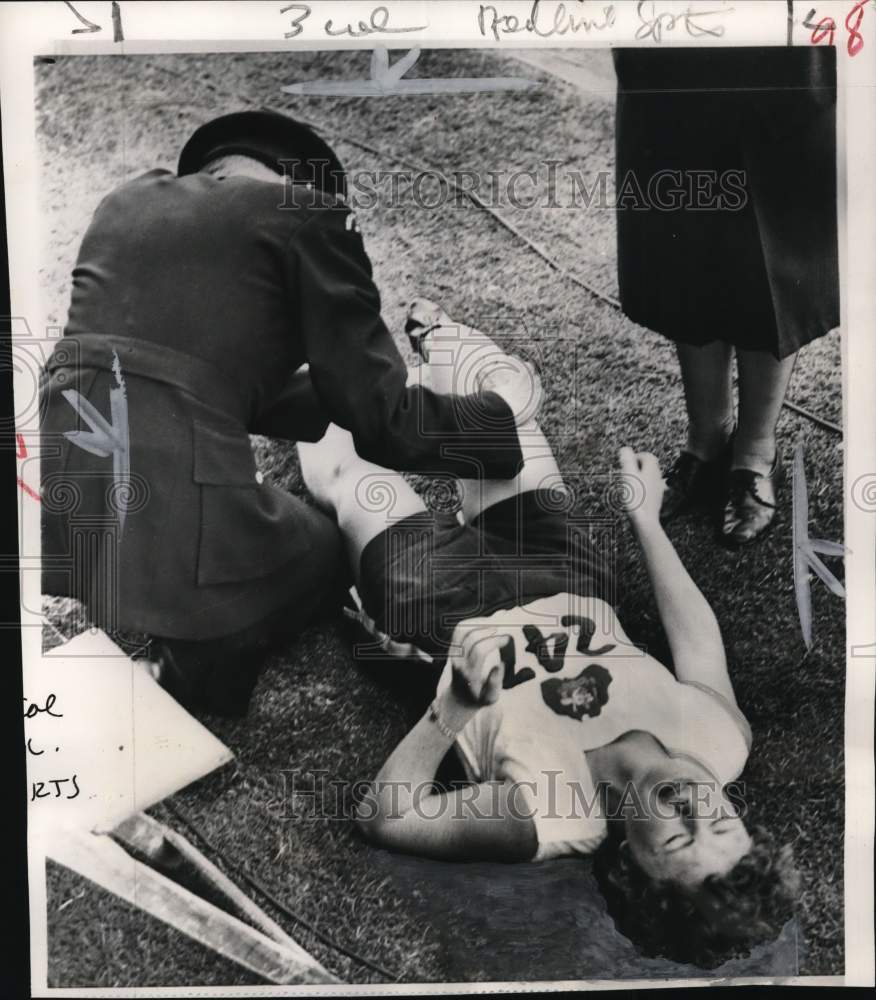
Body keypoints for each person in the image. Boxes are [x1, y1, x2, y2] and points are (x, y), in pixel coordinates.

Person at [296, 301, 799, 967]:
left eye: (679, 839)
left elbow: (386, 817)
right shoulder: (721, 744)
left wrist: (452, 710)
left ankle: (309, 337)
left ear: (632, 866)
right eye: (721, 822)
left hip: (444, 606)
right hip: (564, 572)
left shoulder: (550, 818)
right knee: (500, 417)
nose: (693, 805)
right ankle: (437, 335)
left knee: (348, 471)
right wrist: (646, 522)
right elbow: (699, 646)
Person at [39, 111, 534, 715]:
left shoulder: (126, 199)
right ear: (303, 185)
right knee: (320, 553)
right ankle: (186, 658)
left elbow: (181, 372)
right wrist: (497, 416)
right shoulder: (309, 216)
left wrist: (335, 397)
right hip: (172, 494)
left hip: (55, 475)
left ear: (212, 169)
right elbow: (387, 421)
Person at [612, 45, 839, 546]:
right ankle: (707, 441)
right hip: (674, 43)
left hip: (776, 48)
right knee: (683, 217)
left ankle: (755, 453)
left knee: (771, 233)